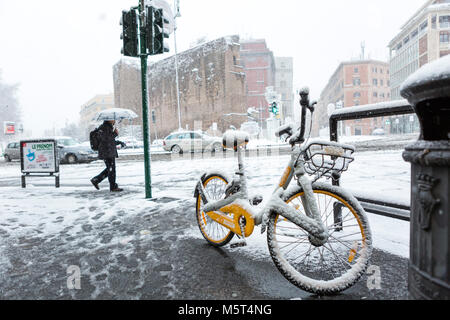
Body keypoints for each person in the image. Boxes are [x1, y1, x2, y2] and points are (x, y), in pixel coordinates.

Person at [90, 120, 126, 192]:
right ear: (109, 120)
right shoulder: (104, 127)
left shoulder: (107, 127)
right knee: (111, 170)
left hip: (108, 151)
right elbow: (106, 139)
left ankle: (96, 180)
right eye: (113, 120)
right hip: (107, 152)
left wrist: (119, 142)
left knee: (110, 169)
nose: (114, 121)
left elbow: (110, 140)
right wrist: (115, 133)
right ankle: (112, 187)